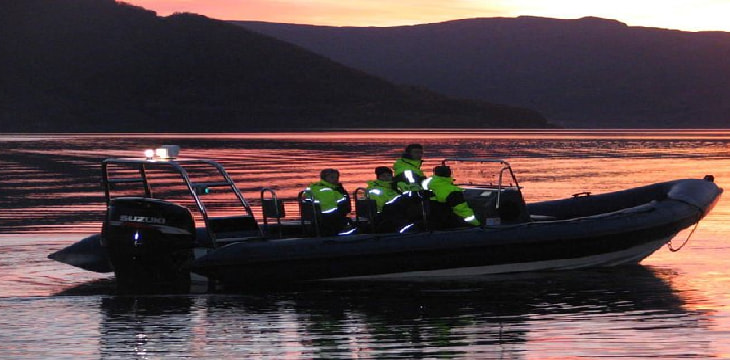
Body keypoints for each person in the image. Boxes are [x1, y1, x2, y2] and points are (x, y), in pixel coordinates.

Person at [303, 169, 352, 236]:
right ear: (324, 178)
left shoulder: (313, 187)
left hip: (316, 220)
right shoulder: (329, 191)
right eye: (332, 177)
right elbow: (331, 210)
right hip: (328, 221)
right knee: (350, 225)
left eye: (336, 177)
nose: (335, 179)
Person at [365, 166, 411, 233]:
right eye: (383, 176)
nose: (386, 178)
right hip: (382, 216)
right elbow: (382, 205)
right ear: (378, 177)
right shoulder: (374, 190)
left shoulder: (395, 187)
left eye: (389, 175)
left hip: (396, 213)